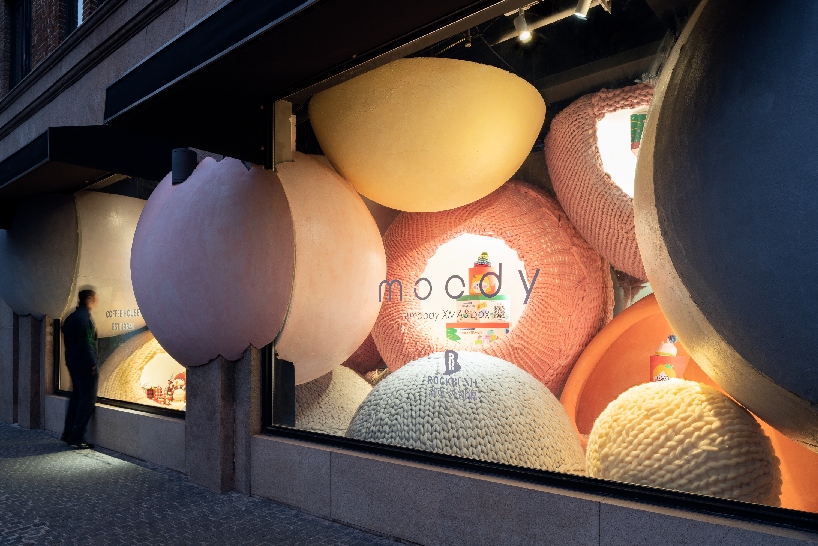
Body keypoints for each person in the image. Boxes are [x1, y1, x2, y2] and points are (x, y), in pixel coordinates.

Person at [61, 288, 99, 449]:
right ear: (89, 299)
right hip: (84, 364)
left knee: (76, 397)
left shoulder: (72, 317)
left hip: (73, 362)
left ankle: (67, 433)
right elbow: (86, 342)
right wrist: (92, 363)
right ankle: (77, 437)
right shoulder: (84, 319)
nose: (96, 301)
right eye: (94, 298)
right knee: (86, 400)